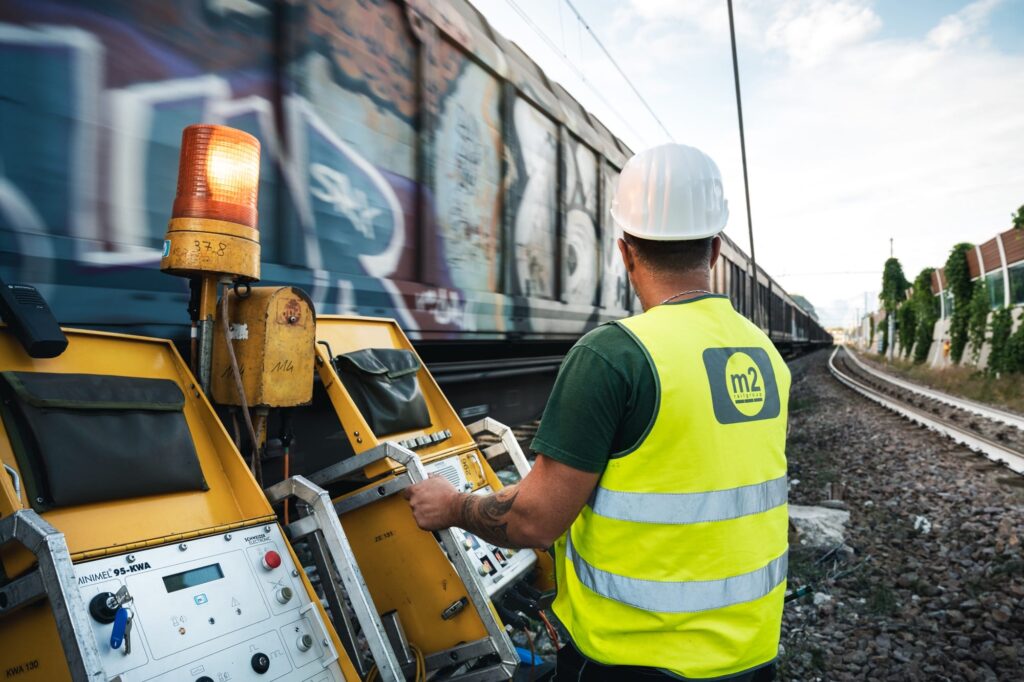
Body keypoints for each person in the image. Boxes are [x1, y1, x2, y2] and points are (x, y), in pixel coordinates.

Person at [404, 143, 789, 681]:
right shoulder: (764, 354)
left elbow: (536, 521)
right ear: (716, 250)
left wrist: (450, 506)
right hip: (751, 656)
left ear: (625, 251)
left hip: (635, 660)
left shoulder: (614, 355)